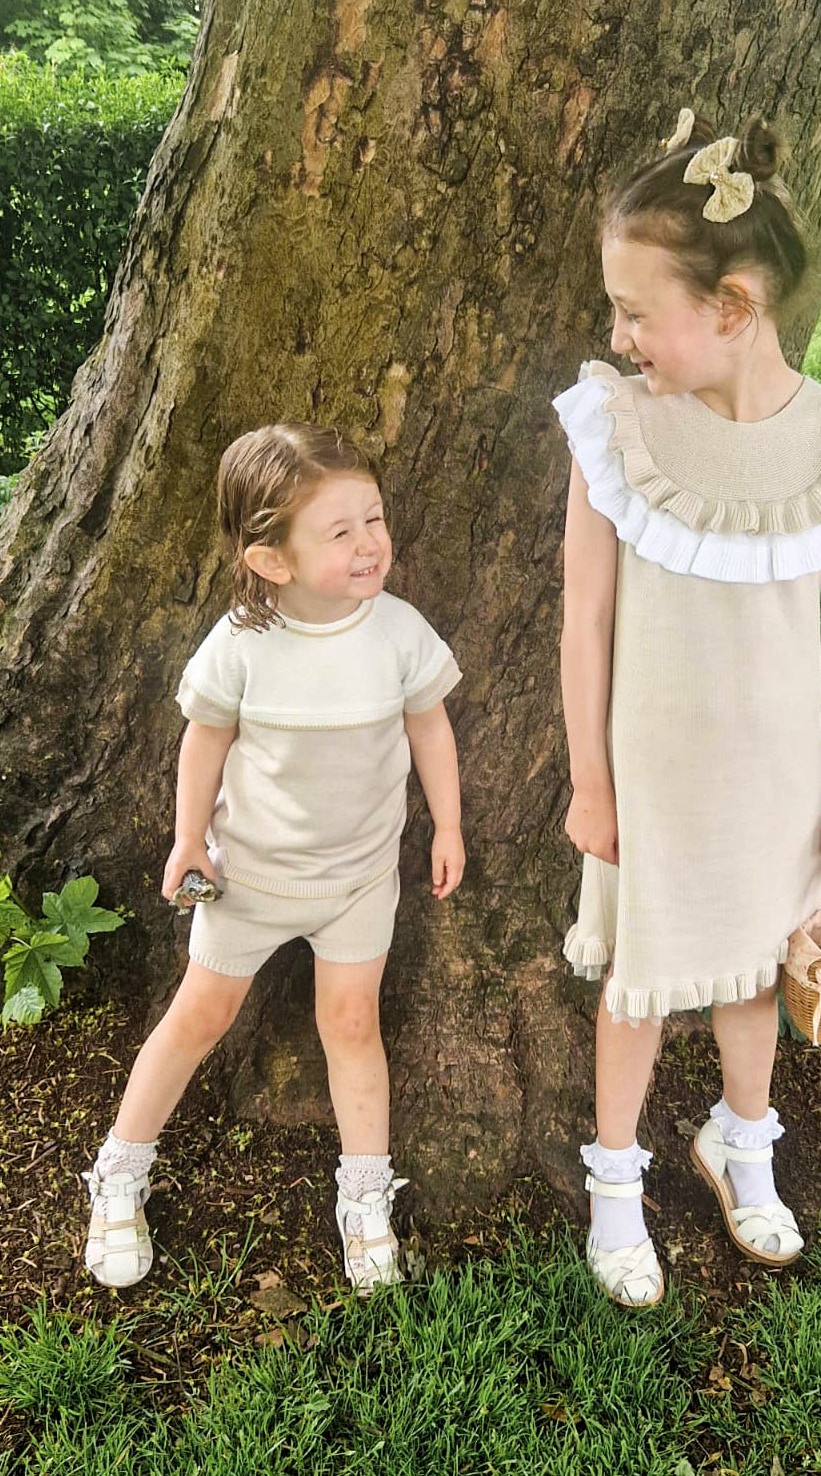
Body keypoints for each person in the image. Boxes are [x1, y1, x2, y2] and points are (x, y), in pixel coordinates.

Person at [555, 108, 821, 1307]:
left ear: (732, 304)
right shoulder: (617, 428)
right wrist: (590, 782)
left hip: (775, 776)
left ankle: (740, 1141)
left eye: (634, 312)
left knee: (757, 971)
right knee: (635, 980)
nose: (617, 336)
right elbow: (584, 619)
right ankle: (616, 1181)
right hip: (647, 777)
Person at [83, 425, 464, 1292]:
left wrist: (447, 825)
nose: (370, 543)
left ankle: (364, 1194)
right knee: (198, 1018)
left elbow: (429, 727)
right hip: (246, 882)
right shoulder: (241, 645)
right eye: (340, 531)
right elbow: (204, 741)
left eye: (374, 518)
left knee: (352, 1026)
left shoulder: (398, 632)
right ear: (271, 560)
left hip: (359, 881)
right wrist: (188, 839)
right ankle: (120, 1169)